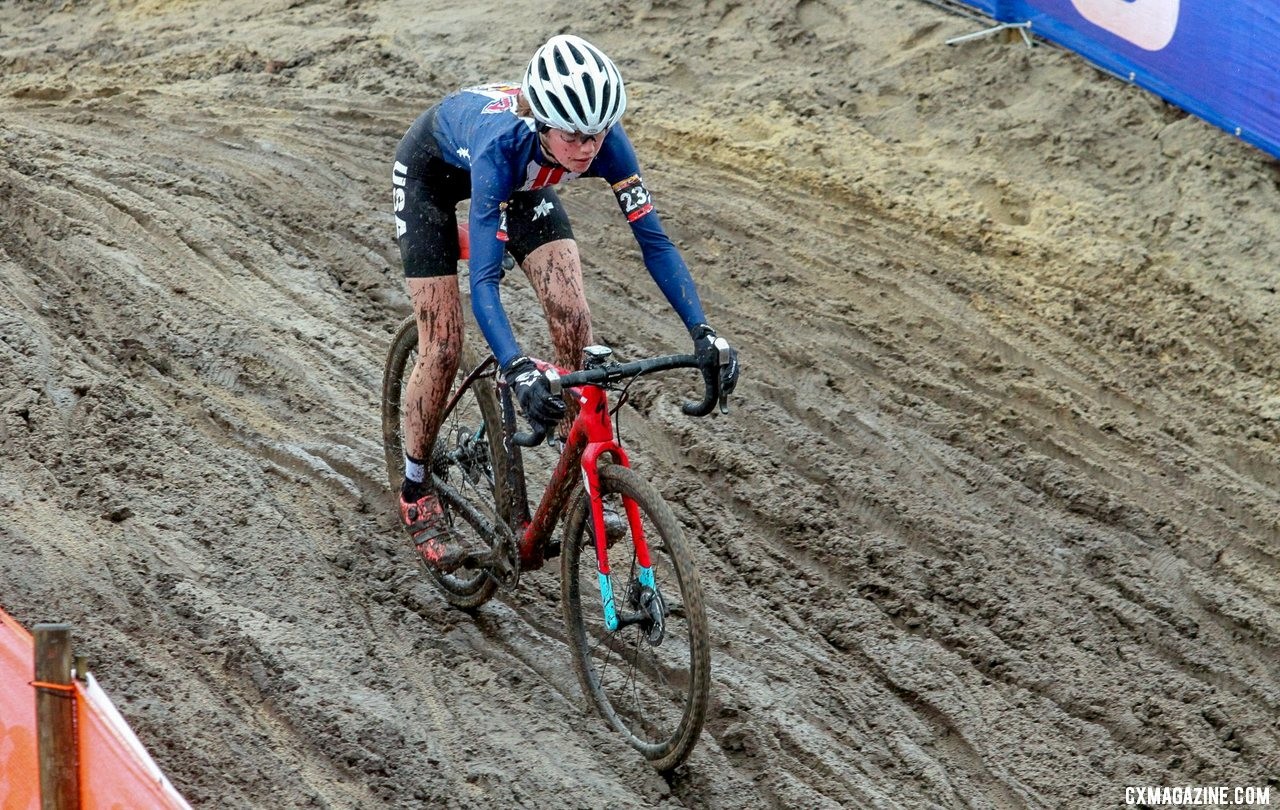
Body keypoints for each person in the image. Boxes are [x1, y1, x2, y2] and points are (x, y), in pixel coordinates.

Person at [390, 34, 740, 571]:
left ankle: (570, 451)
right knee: (442, 343)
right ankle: (415, 491)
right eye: (575, 136)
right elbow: (483, 284)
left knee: (572, 312)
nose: (588, 150)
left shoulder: (601, 141)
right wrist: (517, 367)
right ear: (541, 122)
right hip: (433, 179)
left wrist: (703, 331)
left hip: (525, 183)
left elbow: (654, 241)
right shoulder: (502, 145)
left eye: (598, 134)